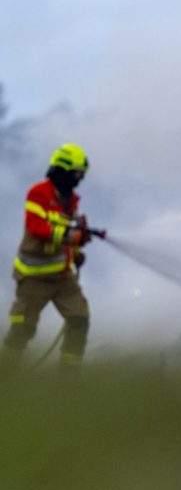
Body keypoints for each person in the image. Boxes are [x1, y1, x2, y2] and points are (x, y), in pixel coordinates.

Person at [0, 144, 94, 375]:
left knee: (79, 319)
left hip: (62, 278)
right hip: (33, 279)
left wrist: (78, 252)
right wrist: (72, 235)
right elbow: (37, 227)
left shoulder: (71, 200)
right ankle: (5, 377)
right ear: (63, 170)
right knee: (22, 330)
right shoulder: (38, 193)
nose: (78, 180)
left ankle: (68, 380)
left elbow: (68, 231)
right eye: (76, 174)